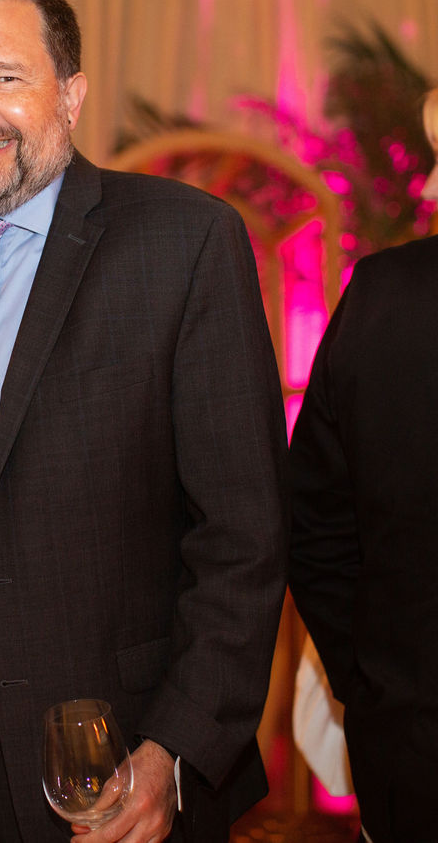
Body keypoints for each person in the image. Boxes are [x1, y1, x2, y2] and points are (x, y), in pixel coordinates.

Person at [0, 0, 288, 841]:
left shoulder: (182, 244)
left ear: (69, 97)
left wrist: (170, 752)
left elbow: (244, 538)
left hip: (101, 742)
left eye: (5, 78)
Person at [288, 88, 438, 843]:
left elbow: (314, 527)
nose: (431, 186)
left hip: (410, 745)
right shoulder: (384, 297)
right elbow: (313, 521)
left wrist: (372, 681)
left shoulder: (381, 297)